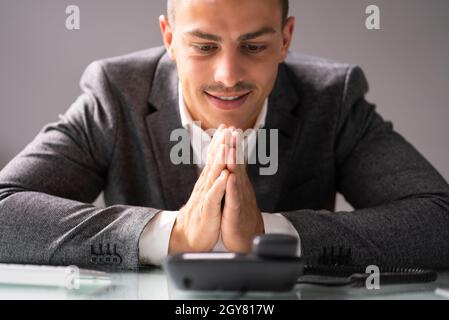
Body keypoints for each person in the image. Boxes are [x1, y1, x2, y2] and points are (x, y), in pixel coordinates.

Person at [0, 0, 448, 270]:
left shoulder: (332, 98)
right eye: (203, 46)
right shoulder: (116, 93)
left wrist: (271, 234)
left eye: (254, 47)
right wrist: (170, 234)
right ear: (169, 38)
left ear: (286, 38)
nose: (228, 76)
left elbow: (438, 221)